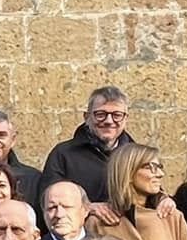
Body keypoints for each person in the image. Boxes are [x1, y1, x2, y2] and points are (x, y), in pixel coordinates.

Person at [89, 144, 187, 240]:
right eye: (151, 167)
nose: (160, 174)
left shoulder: (171, 216)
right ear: (128, 172)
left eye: (159, 167)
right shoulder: (98, 222)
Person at [38, 87, 143, 223]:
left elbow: (152, 191)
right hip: (80, 238)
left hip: (128, 237)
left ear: (126, 118)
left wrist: (163, 199)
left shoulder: (137, 157)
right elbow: (48, 200)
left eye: (117, 115)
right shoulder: (63, 154)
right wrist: (87, 207)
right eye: (100, 114)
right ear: (87, 117)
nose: (109, 121)